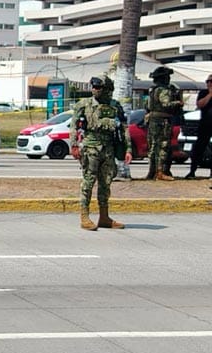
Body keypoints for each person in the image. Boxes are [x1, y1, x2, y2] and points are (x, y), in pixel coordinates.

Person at [70, 75, 133, 231]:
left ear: (106, 90)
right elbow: (73, 126)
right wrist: (74, 145)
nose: (94, 89)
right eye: (93, 86)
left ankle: (104, 217)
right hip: (91, 148)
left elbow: (124, 128)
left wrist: (128, 148)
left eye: (98, 87)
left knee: (106, 183)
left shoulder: (115, 106)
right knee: (88, 182)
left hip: (108, 149)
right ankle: (84, 216)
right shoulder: (83, 104)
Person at [146, 66, 183, 180]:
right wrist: (178, 103)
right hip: (162, 121)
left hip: (153, 120)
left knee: (153, 147)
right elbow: (166, 104)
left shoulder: (153, 90)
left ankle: (152, 172)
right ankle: (160, 172)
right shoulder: (163, 90)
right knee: (163, 146)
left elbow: (147, 106)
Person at [185, 74, 212, 179]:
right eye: (208, 81)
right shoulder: (203, 93)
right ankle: (192, 171)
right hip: (205, 125)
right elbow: (200, 105)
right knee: (199, 149)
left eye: (211, 81)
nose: (209, 83)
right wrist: (210, 94)